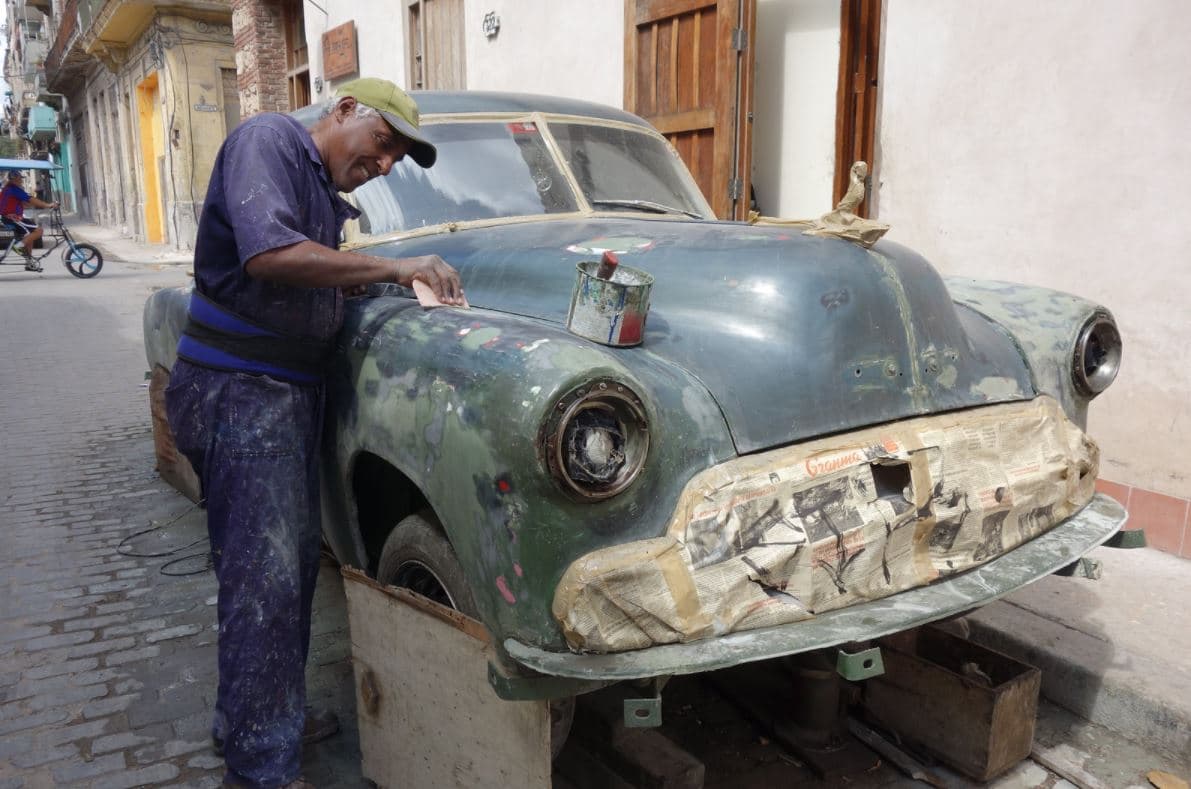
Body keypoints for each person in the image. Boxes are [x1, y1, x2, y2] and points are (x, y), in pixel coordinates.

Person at [165, 77, 463, 789]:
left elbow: (303, 279)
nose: (384, 163)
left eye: (396, 159)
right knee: (263, 579)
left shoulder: (321, 191)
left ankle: (257, 719)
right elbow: (269, 255)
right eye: (383, 143)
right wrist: (394, 264)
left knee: (285, 572)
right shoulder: (268, 140)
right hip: (241, 392)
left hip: (276, 396)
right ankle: (261, 767)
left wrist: (373, 286)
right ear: (345, 110)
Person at [0, 170, 58, 272]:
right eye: (19, 179)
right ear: (14, 179)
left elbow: (22, 202)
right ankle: (18, 246)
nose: (21, 181)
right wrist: (47, 205)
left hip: (11, 217)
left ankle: (29, 262)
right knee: (39, 231)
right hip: (12, 218)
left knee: (29, 236)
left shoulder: (8, 189)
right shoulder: (13, 189)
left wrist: (32, 204)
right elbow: (30, 199)